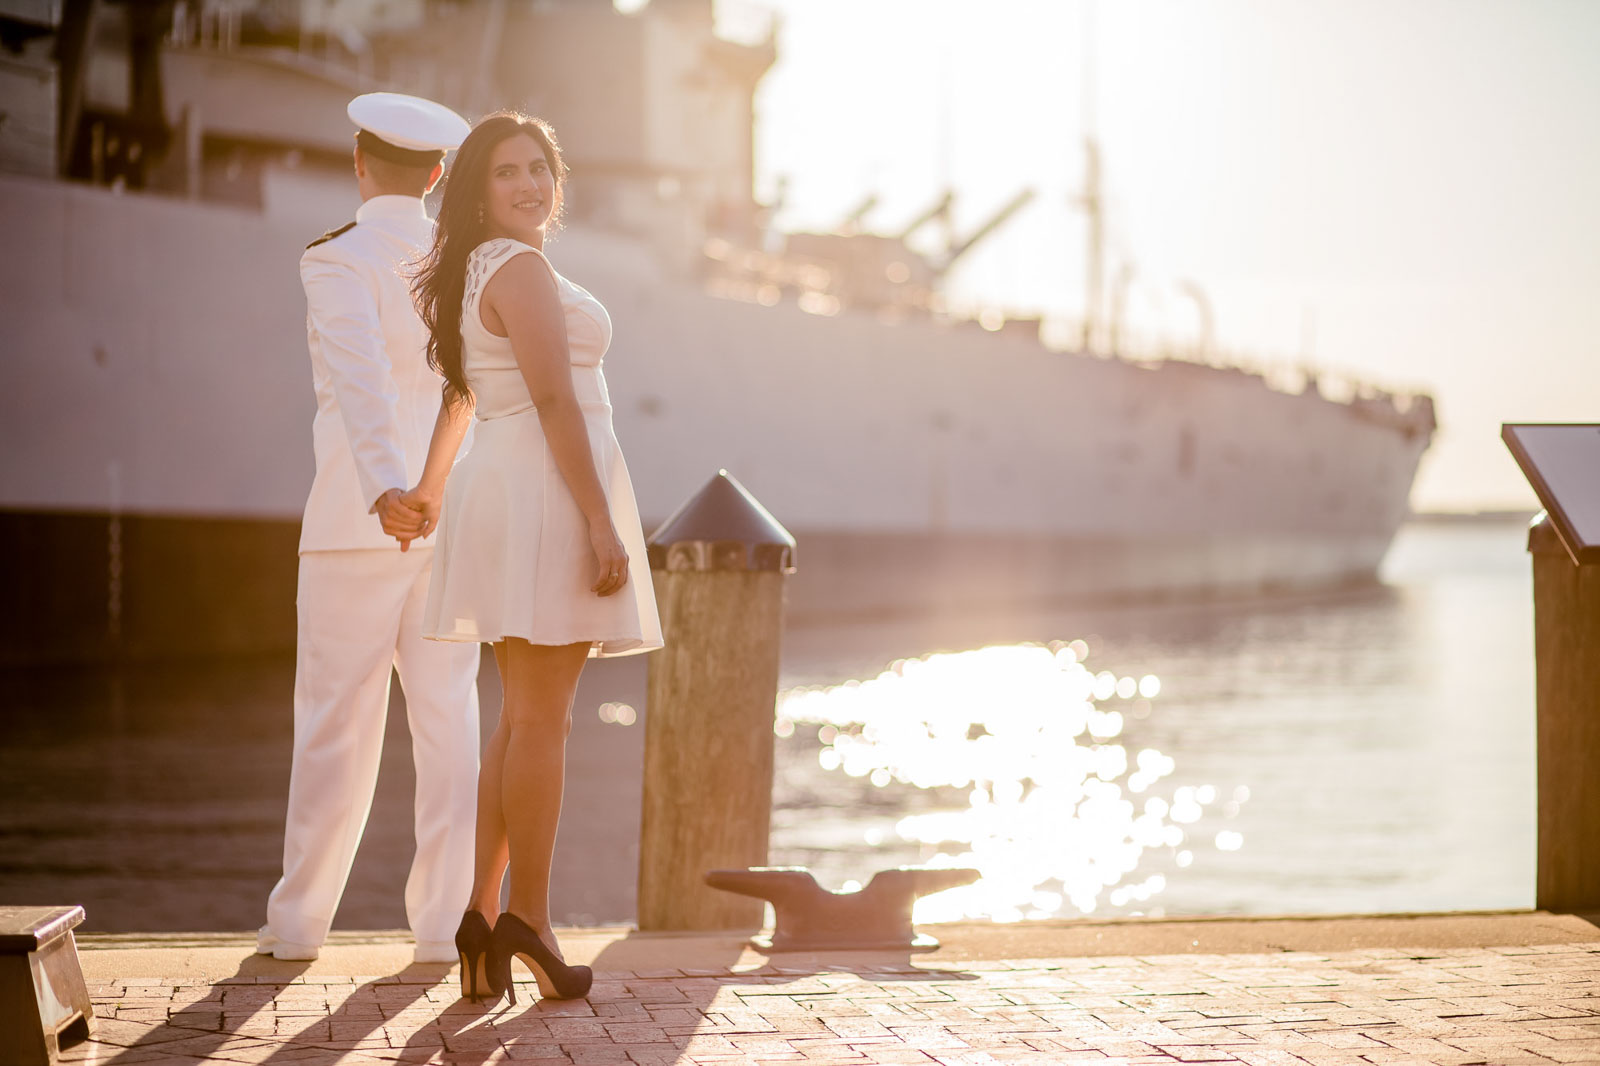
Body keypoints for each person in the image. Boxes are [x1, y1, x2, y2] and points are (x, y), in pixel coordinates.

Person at [390, 112, 662, 1004]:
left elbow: (465, 396)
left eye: (539, 168)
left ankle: (479, 913)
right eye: (506, 172)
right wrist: (600, 520)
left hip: (501, 486)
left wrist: (430, 490)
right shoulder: (523, 267)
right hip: (546, 491)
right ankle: (532, 922)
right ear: (476, 188)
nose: (528, 185)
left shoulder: (475, 270)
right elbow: (554, 399)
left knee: (517, 719)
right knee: (545, 722)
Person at [258, 93, 481, 965]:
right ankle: (439, 931)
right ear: (437, 176)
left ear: (358, 164)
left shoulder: (335, 260)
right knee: (449, 721)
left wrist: (388, 489)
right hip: (450, 519)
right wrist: (426, 490)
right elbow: (467, 389)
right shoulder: (464, 262)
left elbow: (358, 378)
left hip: (357, 524)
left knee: (332, 726)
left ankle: (299, 927)